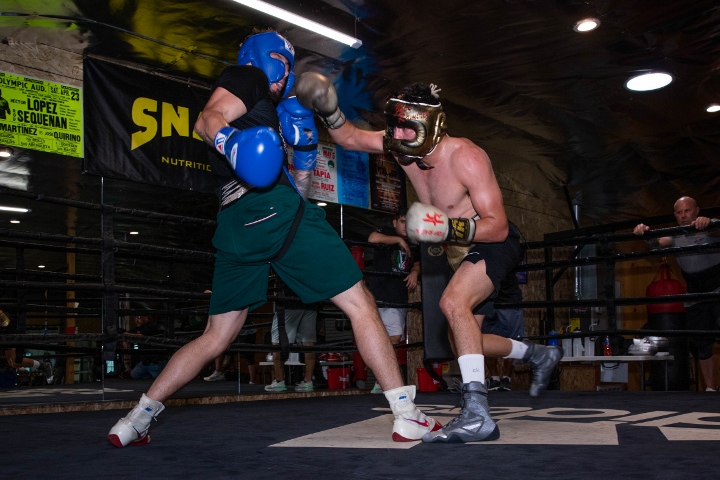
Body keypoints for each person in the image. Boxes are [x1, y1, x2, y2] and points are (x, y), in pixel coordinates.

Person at [107, 30, 439, 448]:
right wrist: (234, 142)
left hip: (236, 221)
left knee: (216, 336)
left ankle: (135, 419)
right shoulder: (247, 79)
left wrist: (302, 156)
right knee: (360, 303)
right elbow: (208, 120)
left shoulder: (274, 112)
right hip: (274, 210)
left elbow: (296, 182)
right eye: (281, 61)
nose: (284, 72)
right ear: (258, 56)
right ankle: (406, 415)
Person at [296, 75, 562, 443]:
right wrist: (330, 109)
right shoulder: (400, 145)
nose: (399, 136)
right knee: (466, 341)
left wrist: (445, 227)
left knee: (452, 303)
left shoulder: (467, 157)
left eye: (409, 128)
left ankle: (477, 415)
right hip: (456, 250)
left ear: (431, 123)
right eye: (396, 127)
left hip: (490, 241)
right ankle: (536, 354)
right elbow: (350, 137)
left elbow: (498, 227)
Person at [634, 196, 720, 391]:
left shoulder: (710, 224)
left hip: (718, 288)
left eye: (687, 211)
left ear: (697, 210)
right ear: (675, 215)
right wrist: (645, 234)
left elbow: (717, 230)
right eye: (679, 213)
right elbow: (657, 243)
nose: (684, 216)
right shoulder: (675, 234)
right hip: (695, 294)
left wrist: (707, 225)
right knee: (702, 344)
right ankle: (711, 389)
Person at [366, 212, 420, 393]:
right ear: (395, 222)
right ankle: (384, 381)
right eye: (403, 222)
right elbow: (372, 238)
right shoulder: (387, 232)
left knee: (391, 339)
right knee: (390, 338)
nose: (406, 226)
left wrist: (414, 271)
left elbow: (418, 261)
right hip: (381, 294)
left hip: (398, 297)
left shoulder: (414, 240)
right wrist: (397, 240)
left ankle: (383, 381)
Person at [479, 270, 525, 392]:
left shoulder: (501, 254)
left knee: (512, 339)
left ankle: (506, 378)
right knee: (484, 339)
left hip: (507, 301)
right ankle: (496, 379)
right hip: (488, 302)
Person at [265, 308, 317, 392]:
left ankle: (279, 381)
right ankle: (308, 382)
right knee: (308, 342)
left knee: (277, 342)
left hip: (289, 305)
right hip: (310, 303)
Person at [0, 310, 54, 385]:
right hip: (6, 329)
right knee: (12, 362)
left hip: (7, 330)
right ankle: (43, 366)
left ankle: (43, 365)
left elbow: (6, 321)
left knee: (13, 361)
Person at [125, 313, 167, 380]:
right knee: (134, 374)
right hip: (145, 361)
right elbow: (128, 335)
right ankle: (150, 377)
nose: (138, 320)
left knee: (160, 378)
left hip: (155, 360)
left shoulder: (151, 327)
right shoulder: (137, 329)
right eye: (136, 318)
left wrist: (127, 335)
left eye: (140, 317)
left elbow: (142, 336)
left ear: (146, 318)